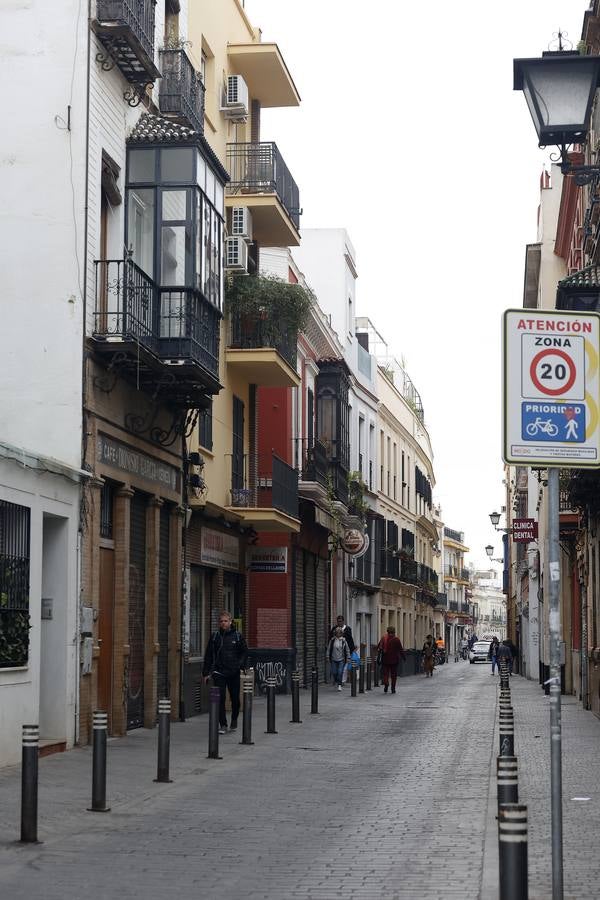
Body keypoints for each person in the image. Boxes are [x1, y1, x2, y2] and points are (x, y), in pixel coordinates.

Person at [202, 610, 248, 734]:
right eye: (221, 621)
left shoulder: (238, 636)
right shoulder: (215, 637)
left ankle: (234, 719)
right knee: (220, 699)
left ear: (230, 621)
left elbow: (244, 652)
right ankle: (223, 724)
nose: (223, 623)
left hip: (233, 672)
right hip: (219, 672)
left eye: (226, 621)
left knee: (235, 700)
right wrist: (206, 673)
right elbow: (208, 656)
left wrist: (240, 664)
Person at [377, 626, 406, 693]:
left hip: (385, 660)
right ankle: (393, 688)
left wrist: (379, 656)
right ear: (394, 632)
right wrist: (403, 657)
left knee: (385, 673)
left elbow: (379, 647)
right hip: (394, 660)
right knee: (394, 675)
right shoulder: (396, 640)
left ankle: (386, 683)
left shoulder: (383, 638)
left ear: (387, 631)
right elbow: (400, 649)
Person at [329, 615, 356, 684]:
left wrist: (352, 650)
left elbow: (350, 639)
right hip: (335, 652)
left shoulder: (347, 629)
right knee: (335, 670)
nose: (339, 623)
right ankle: (338, 679)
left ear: (343, 621)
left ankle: (341, 681)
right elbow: (330, 638)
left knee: (343, 669)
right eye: (338, 621)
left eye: (340, 621)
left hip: (344, 651)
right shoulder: (334, 629)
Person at [327, 627, 351, 691]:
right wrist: (327, 656)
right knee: (334, 672)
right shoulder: (332, 640)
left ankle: (339, 685)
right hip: (333, 658)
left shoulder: (343, 641)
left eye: (339, 632)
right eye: (337, 632)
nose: (338, 634)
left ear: (341, 633)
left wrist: (348, 657)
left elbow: (347, 650)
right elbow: (329, 649)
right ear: (335, 633)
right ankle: (336, 681)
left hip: (341, 659)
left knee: (340, 672)